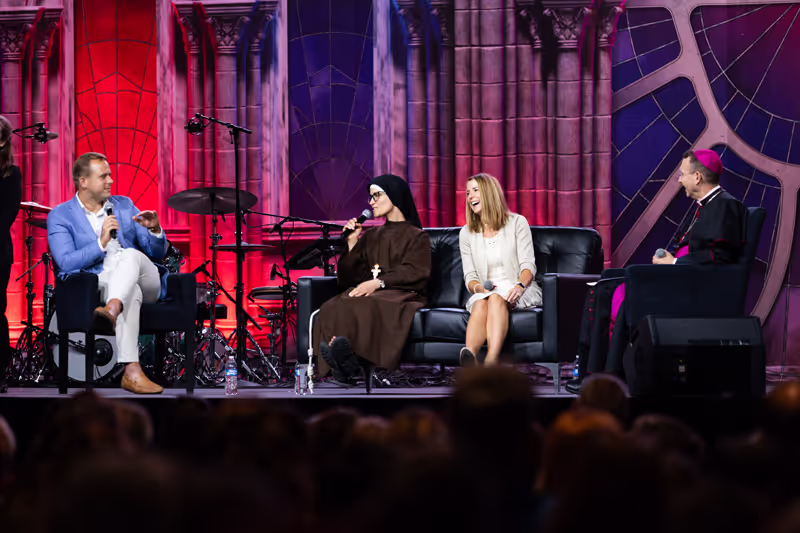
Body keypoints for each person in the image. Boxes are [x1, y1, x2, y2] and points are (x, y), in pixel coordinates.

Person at [567, 149, 747, 394]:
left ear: (697, 177)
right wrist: (669, 261)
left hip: (694, 289)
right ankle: (593, 370)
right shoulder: (705, 206)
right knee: (605, 284)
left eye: (682, 175)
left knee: (616, 288)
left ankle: (608, 375)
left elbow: (721, 260)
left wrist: (673, 264)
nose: (679, 180)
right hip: (680, 281)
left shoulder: (727, 206)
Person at [47, 152, 167, 394]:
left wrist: (154, 230)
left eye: (110, 175)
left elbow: (156, 253)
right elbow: (66, 262)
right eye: (103, 176)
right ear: (83, 181)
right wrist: (100, 244)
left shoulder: (124, 205)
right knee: (128, 291)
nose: (110, 181)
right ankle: (132, 371)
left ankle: (111, 309)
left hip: (146, 280)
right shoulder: (60, 216)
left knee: (130, 256)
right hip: (99, 284)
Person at [312, 174, 431, 385]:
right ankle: (344, 364)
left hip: (402, 292)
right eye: (370, 197)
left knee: (366, 303)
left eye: (376, 196)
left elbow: (416, 272)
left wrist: (379, 283)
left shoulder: (417, 236)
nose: (371, 202)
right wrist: (351, 242)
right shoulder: (371, 235)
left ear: (394, 196)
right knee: (333, 305)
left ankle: (347, 364)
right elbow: (351, 279)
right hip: (374, 292)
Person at [458, 173, 541, 366]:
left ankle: (491, 361)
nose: (470, 197)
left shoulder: (517, 223)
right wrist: (480, 289)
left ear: (489, 192)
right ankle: (470, 355)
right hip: (485, 291)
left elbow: (528, 266)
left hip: (519, 287)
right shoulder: (466, 233)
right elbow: (469, 276)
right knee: (482, 301)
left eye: (476, 191)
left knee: (495, 298)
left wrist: (520, 286)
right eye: (468, 193)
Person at [0, 116, 21, 392]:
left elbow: (5, 216)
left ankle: (1, 372)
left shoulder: (11, 174)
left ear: (3, 140)